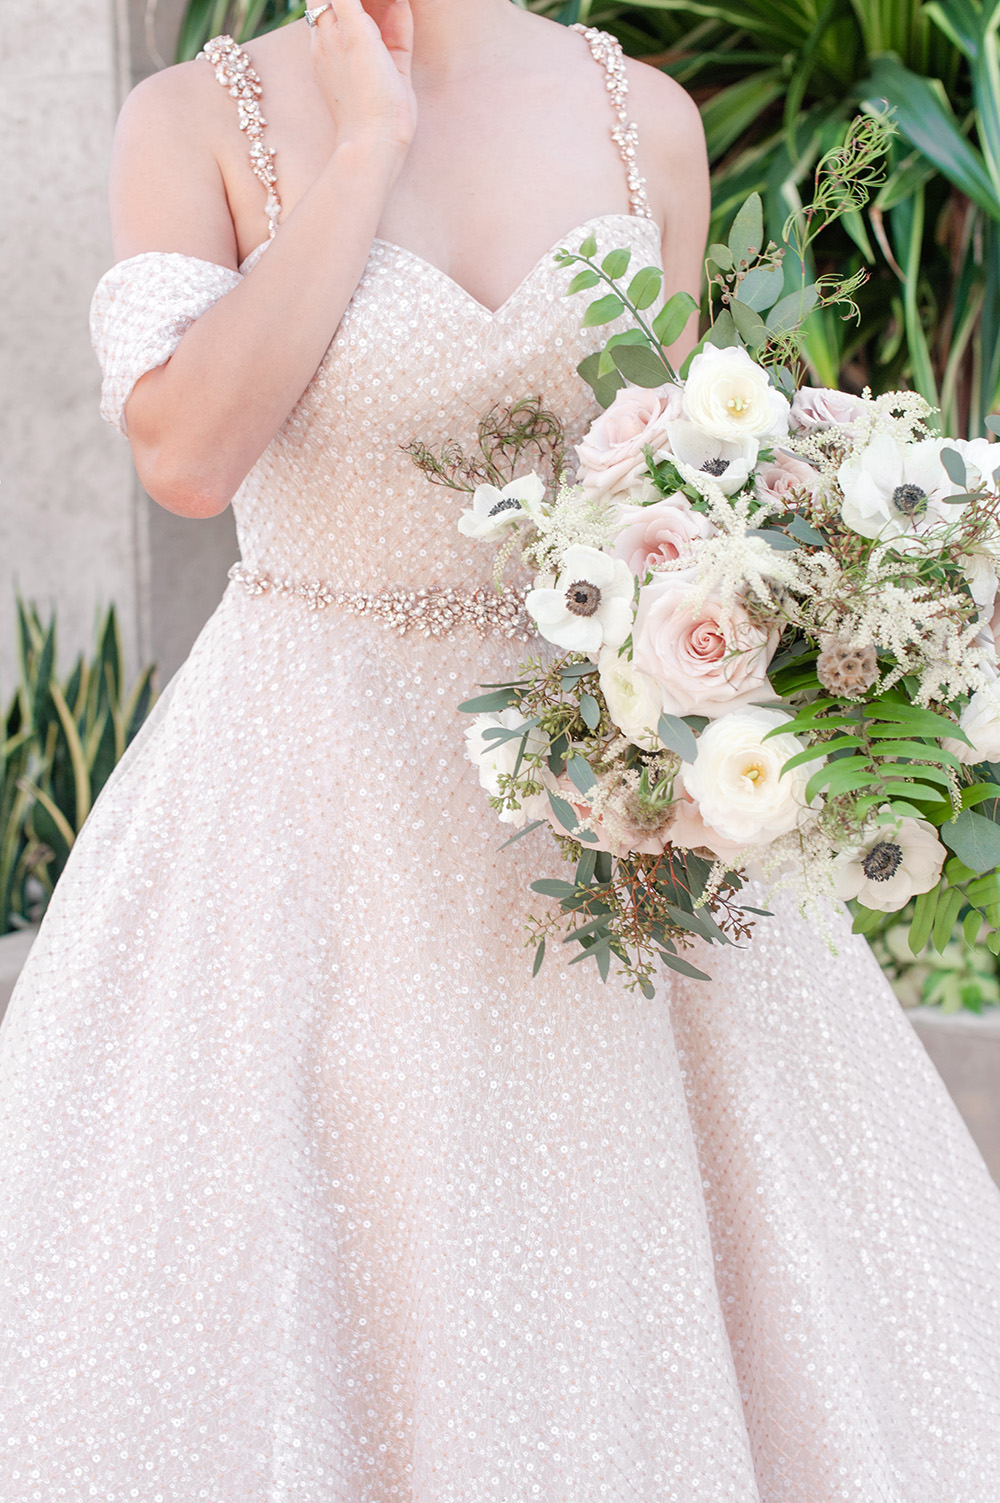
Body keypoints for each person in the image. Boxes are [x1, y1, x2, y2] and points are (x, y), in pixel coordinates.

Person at [1, 2, 999, 1499]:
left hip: (593, 778)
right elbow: (190, 458)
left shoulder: (641, 116)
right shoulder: (197, 119)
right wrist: (364, 154)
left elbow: (674, 467)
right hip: (306, 793)